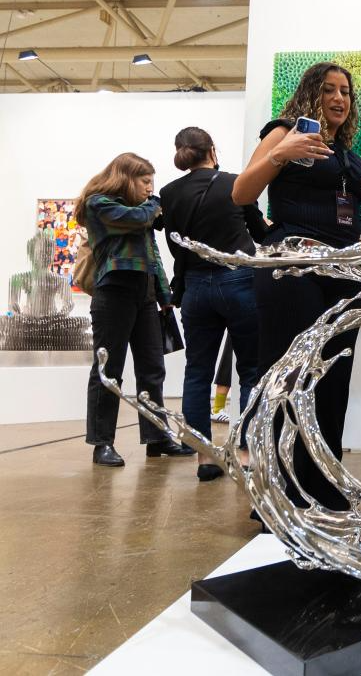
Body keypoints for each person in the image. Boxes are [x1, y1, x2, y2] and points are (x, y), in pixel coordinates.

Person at [232, 61, 361, 512]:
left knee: (332, 380)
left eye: (345, 91)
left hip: (342, 272)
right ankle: (276, 492)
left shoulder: (345, 153)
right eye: (329, 89)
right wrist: (281, 154)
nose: (339, 98)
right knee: (288, 377)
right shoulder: (284, 132)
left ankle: (323, 490)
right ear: (311, 93)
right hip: (293, 270)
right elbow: (241, 193)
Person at [160, 127, 267, 481]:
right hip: (239, 281)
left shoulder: (168, 193)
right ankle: (247, 455)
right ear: (212, 150)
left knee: (197, 372)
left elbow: (177, 245)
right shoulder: (235, 183)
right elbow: (261, 234)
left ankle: (204, 458)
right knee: (250, 370)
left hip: (195, 288)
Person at [76, 153, 191, 467]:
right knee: (108, 369)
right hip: (113, 292)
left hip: (145, 295)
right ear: (126, 178)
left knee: (152, 368)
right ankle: (102, 443)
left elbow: (152, 256)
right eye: (145, 181)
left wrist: (165, 295)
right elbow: (137, 219)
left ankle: (157, 438)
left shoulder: (141, 212)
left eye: (152, 182)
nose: (150, 188)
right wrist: (156, 204)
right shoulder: (99, 205)